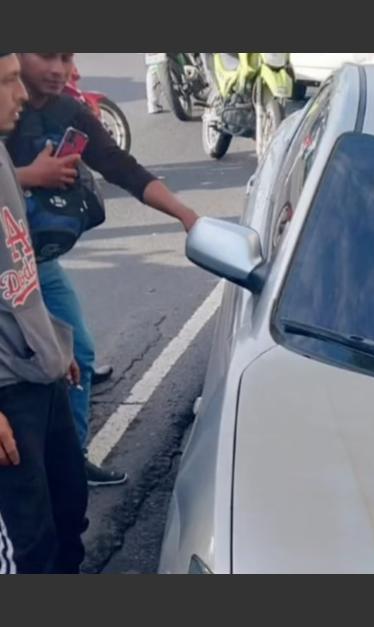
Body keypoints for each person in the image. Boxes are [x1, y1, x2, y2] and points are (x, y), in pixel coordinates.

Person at [5, 53, 201, 487]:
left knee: (78, 356)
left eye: (67, 57)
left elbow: (121, 168)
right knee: (18, 377)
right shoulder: (4, 109)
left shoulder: (69, 111)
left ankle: (70, 463)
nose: (59, 69)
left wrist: (186, 216)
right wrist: (30, 175)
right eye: (46, 57)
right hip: (6, 267)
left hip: (38, 262)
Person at [0, 52, 88, 574]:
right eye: (8, 82)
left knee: (67, 519)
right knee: (28, 549)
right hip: (8, 398)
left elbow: (17, 268)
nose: (21, 93)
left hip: (39, 374)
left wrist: (54, 342)